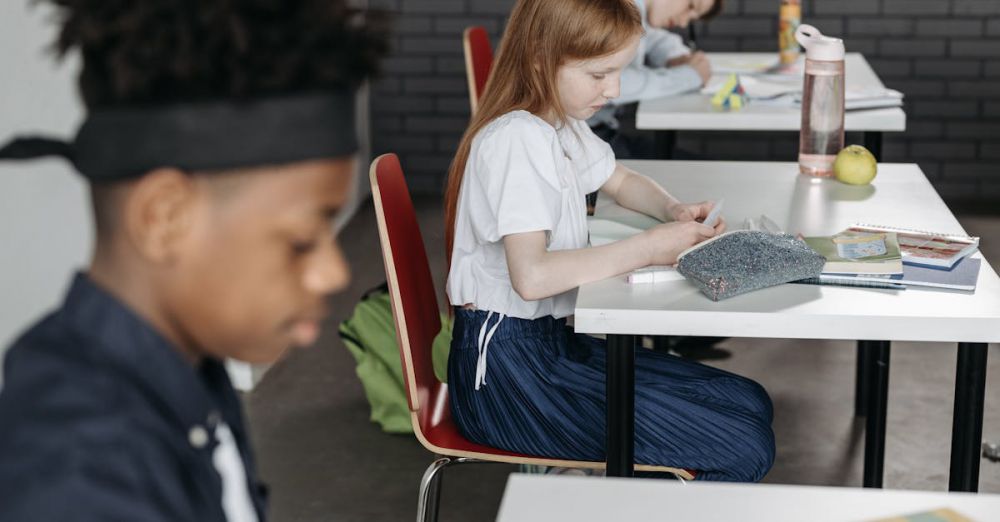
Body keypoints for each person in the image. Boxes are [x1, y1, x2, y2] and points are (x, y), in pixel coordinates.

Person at [0, 0, 385, 520]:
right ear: (165, 218)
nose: (334, 272)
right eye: (299, 241)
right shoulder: (79, 481)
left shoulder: (189, 366)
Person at [442, 0, 774, 482]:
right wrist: (651, 247)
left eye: (618, 71)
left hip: (553, 347)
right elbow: (532, 277)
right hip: (507, 376)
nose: (614, 90)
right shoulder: (516, 140)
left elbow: (618, 180)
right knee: (744, 446)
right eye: (599, 75)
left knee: (748, 401)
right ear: (541, 57)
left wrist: (672, 210)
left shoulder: (558, 124)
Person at [588, 0, 724, 159]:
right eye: (691, 6)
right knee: (704, 173)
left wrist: (676, 57)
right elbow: (604, 82)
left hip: (599, 133)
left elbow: (651, 37)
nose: (683, 22)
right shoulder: (609, 9)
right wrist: (687, 76)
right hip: (582, 141)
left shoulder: (633, 10)